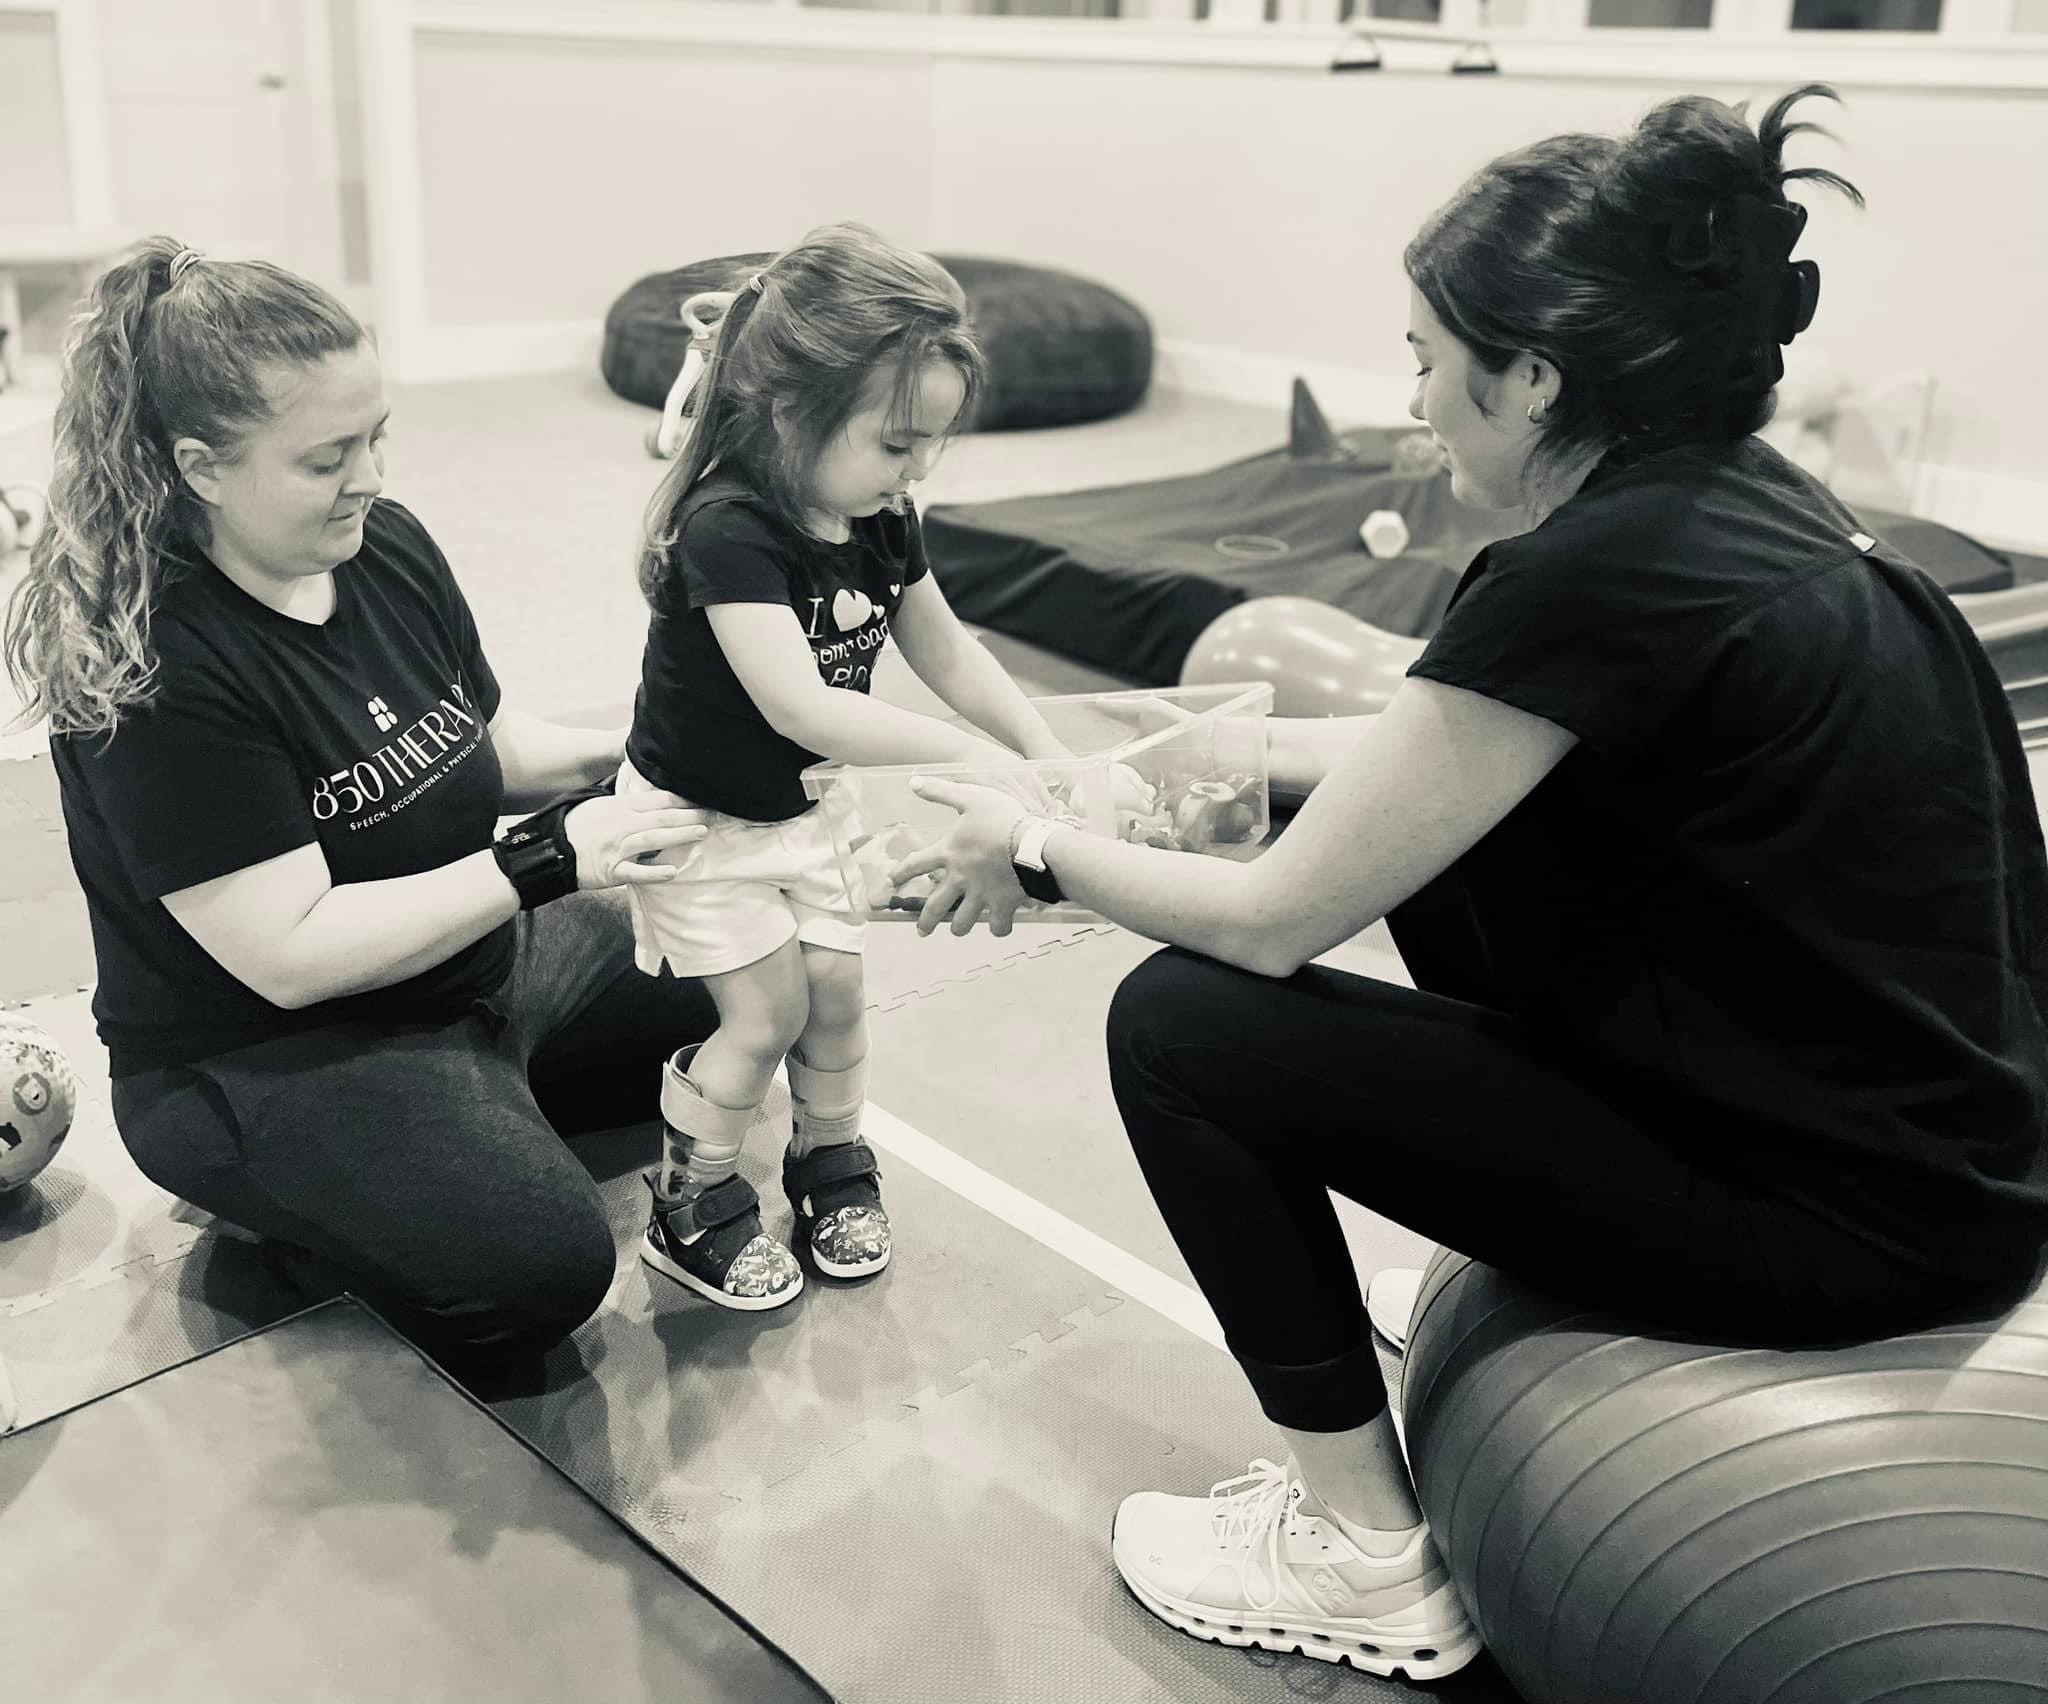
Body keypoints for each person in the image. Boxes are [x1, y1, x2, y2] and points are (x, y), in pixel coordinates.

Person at [890, 86, 2048, 1682]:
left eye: (1431, 359)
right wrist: (1148, 773)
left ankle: (1364, 1558)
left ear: (1535, 379)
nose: (1416, 398)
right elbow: (1426, 755)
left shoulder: (1585, 573)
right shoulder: (1738, 509)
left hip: (1844, 1225)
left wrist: (1031, 847)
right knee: (1448, 855)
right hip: (1949, 1155)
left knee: (1184, 1027)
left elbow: (1273, 913)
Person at [2, 238, 718, 1382]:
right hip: (272, 1052)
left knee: (729, 966)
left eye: (376, 435)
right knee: (538, 1274)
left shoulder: (383, 543)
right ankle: (340, 1177)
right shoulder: (159, 669)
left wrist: (659, 759)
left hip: (474, 967)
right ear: (199, 464)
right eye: (328, 455)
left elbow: (481, 746)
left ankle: (465, 1114)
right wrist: (547, 859)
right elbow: (289, 956)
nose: (371, 475)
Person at [623, 224, 1077, 1310]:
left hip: (806, 806)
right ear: (790, 406)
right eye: (893, 442)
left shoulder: (880, 517)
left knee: (836, 995)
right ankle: (690, 1206)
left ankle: (828, 1165)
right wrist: (964, 754)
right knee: (764, 1015)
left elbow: (946, 648)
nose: (916, 470)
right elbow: (797, 702)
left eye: (933, 444)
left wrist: (1041, 743)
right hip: (698, 821)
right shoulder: (726, 527)